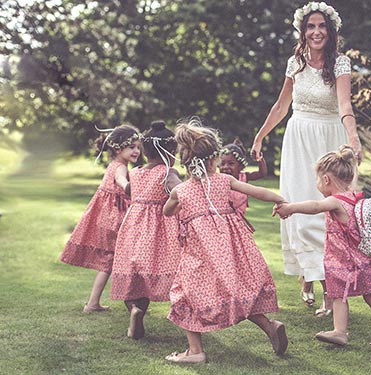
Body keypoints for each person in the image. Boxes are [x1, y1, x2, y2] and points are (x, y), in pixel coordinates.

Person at [251, 1, 363, 317]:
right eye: (311, 26)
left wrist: (353, 138)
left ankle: (331, 292)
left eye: (322, 26)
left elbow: (345, 105)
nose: (316, 32)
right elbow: (280, 106)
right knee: (299, 206)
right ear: (303, 31)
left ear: (331, 31)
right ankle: (307, 274)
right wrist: (260, 136)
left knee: (330, 210)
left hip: (330, 138)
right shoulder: (295, 63)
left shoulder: (341, 64)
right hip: (298, 138)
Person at [162, 118, 288, 364]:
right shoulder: (225, 181)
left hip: (200, 255)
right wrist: (280, 200)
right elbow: (257, 192)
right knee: (239, 290)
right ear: (213, 160)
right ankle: (270, 327)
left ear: (187, 163)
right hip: (231, 250)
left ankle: (195, 351)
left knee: (184, 294)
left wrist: (174, 199)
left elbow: (167, 211)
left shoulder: (182, 191)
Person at [274, 145, 371, 347]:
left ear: (326, 179)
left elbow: (315, 206)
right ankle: (340, 332)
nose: (317, 184)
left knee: (370, 297)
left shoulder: (335, 201)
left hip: (353, 262)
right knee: (341, 295)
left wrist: (290, 208)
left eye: (317, 179)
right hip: (349, 261)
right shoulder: (353, 196)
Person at [110, 120, 182, 339]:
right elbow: (180, 191)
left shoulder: (137, 172)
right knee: (173, 270)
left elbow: (129, 189)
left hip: (133, 228)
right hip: (160, 230)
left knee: (134, 275)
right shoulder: (168, 172)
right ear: (170, 151)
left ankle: (135, 309)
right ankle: (188, 311)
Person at [60, 124, 141, 313]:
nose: (137, 151)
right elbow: (122, 182)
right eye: (132, 147)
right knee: (117, 259)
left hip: (107, 217)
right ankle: (125, 303)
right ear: (118, 148)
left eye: (138, 147)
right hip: (116, 218)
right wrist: (132, 187)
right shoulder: (120, 168)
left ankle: (94, 302)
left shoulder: (114, 165)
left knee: (109, 260)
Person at [219, 138, 268, 215]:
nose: (225, 167)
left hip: (240, 219)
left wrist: (259, 158)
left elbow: (262, 173)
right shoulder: (217, 180)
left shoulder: (244, 177)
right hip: (223, 217)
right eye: (222, 164)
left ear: (240, 166)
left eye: (231, 163)